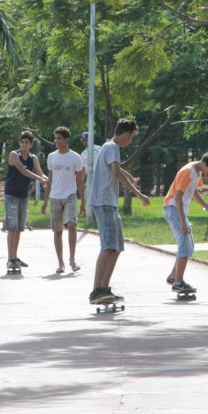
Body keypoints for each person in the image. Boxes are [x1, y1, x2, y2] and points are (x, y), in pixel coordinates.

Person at [88, 119, 150, 304]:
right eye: (131, 138)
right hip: (104, 201)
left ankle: (105, 288)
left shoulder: (108, 146)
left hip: (109, 203)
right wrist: (138, 194)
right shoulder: (113, 147)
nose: (130, 142)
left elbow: (115, 168)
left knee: (116, 247)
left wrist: (129, 175)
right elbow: (116, 172)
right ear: (126, 134)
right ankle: (96, 291)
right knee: (108, 246)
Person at [163, 151, 208, 293]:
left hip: (178, 211)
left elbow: (194, 193)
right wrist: (183, 222)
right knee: (184, 243)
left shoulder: (198, 172)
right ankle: (178, 282)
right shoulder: (188, 172)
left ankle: (173, 277)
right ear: (204, 163)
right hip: (173, 209)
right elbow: (178, 197)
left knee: (189, 244)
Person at [41, 126, 85, 273]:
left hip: (70, 196)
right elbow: (50, 179)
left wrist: (83, 202)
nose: (57, 141)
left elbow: (79, 181)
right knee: (57, 231)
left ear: (66, 140)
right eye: (55, 138)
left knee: (71, 225)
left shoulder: (75, 157)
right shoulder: (52, 157)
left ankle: (72, 259)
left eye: (59, 138)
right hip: (55, 197)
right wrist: (45, 201)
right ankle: (61, 263)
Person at [4, 131, 48, 270]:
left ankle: (15, 257)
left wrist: (48, 179)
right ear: (19, 143)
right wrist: (40, 179)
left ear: (31, 144)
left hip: (23, 195)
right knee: (12, 228)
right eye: (22, 142)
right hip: (12, 194)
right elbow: (23, 171)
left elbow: (40, 172)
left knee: (19, 228)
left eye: (27, 142)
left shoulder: (33, 158)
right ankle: (10, 258)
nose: (24, 144)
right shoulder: (14, 155)